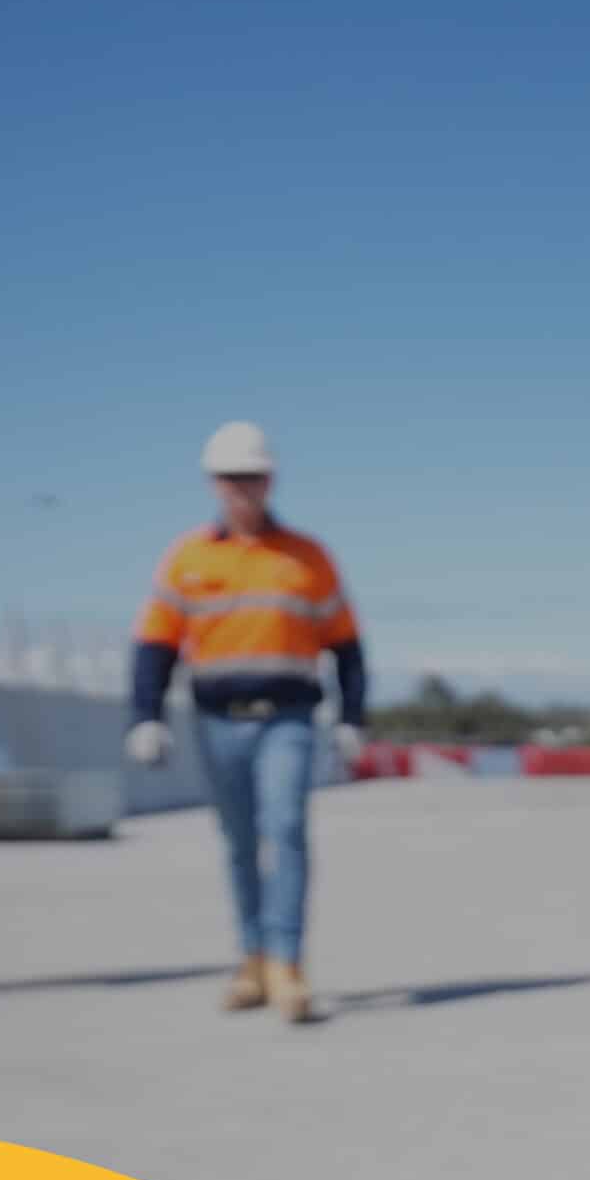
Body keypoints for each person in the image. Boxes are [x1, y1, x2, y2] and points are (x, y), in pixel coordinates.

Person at [127, 422, 366, 1024]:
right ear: (214, 484)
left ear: (270, 480)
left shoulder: (307, 558)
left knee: (284, 828)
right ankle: (252, 959)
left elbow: (347, 646)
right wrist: (147, 717)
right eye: (232, 479)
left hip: (288, 717)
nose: (243, 490)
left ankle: (288, 962)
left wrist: (352, 717)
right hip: (216, 721)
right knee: (239, 844)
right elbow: (155, 644)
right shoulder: (187, 558)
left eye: (253, 478)